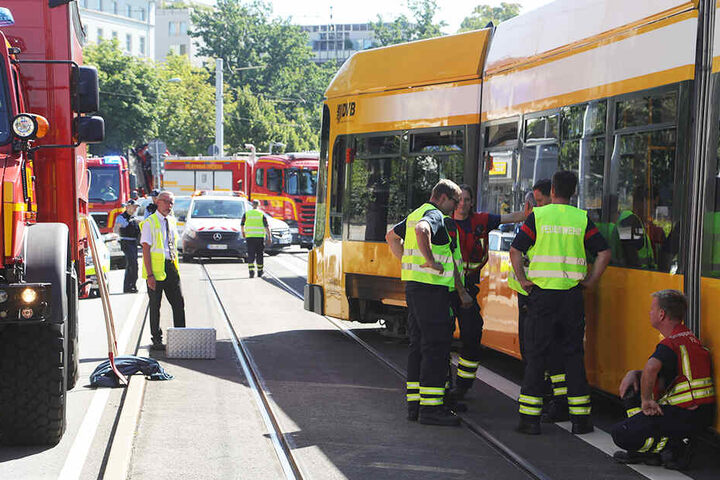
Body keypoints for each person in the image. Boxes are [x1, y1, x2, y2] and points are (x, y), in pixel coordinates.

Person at [510, 171, 611, 435]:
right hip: (572, 297)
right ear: (573, 192)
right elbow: (604, 252)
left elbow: (516, 250)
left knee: (537, 355)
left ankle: (529, 420)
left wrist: (523, 279)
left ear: (552, 190)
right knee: (573, 354)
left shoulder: (539, 216)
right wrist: (590, 282)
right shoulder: (581, 218)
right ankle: (581, 420)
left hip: (542, 296)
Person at [386, 179, 471, 427]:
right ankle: (431, 410)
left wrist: (408, 263)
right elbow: (422, 230)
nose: (456, 207)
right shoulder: (433, 214)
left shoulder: (416, 212)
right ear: (444, 198)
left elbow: (391, 237)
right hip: (432, 291)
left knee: (419, 345)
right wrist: (431, 261)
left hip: (414, 288)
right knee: (436, 347)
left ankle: (416, 404)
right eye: (455, 202)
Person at [611, 290, 715, 470]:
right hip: (699, 413)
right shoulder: (687, 338)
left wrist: (646, 401)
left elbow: (652, 368)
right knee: (635, 386)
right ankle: (660, 449)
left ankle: (671, 449)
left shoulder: (670, 343)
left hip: (687, 415)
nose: (649, 312)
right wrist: (635, 373)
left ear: (661, 314)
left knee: (621, 433)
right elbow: (665, 372)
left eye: (652, 309)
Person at [448, 184, 527, 399]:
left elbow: (508, 218)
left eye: (467, 199)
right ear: (454, 202)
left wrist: (530, 213)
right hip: (446, 290)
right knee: (441, 339)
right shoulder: (445, 222)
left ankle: (462, 386)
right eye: (460, 199)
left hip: (469, 290)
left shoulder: (480, 221)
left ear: (472, 202)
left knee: (473, 335)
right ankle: (443, 385)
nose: (463, 203)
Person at [141, 191, 186, 350]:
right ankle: (157, 339)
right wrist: (150, 275)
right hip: (155, 270)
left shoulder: (172, 221)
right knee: (155, 305)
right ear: (158, 202)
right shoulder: (150, 222)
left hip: (171, 267)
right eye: (166, 202)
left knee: (178, 303)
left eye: (172, 202)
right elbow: (146, 249)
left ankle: (180, 337)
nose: (169, 206)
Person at [115, 199, 141, 293]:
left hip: (133, 243)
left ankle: (132, 285)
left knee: (134, 265)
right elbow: (116, 229)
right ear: (127, 207)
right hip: (126, 242)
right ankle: (128, 286)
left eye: (136, 207)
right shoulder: (121, 217)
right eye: (133, 207)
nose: (135, 209)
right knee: (131, 264)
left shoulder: (135, 218)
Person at [241, 200, 271, 278]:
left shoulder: (247, 214)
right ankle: (260, 271)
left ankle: (251, 271)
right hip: (259, 238)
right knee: (259, 255)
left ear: (252, 205)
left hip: (250, 237)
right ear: (259, 205)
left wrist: (243, 233)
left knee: (251, 254)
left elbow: (242, 224)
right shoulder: (261, 214)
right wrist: (269, 237)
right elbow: (266, 227)